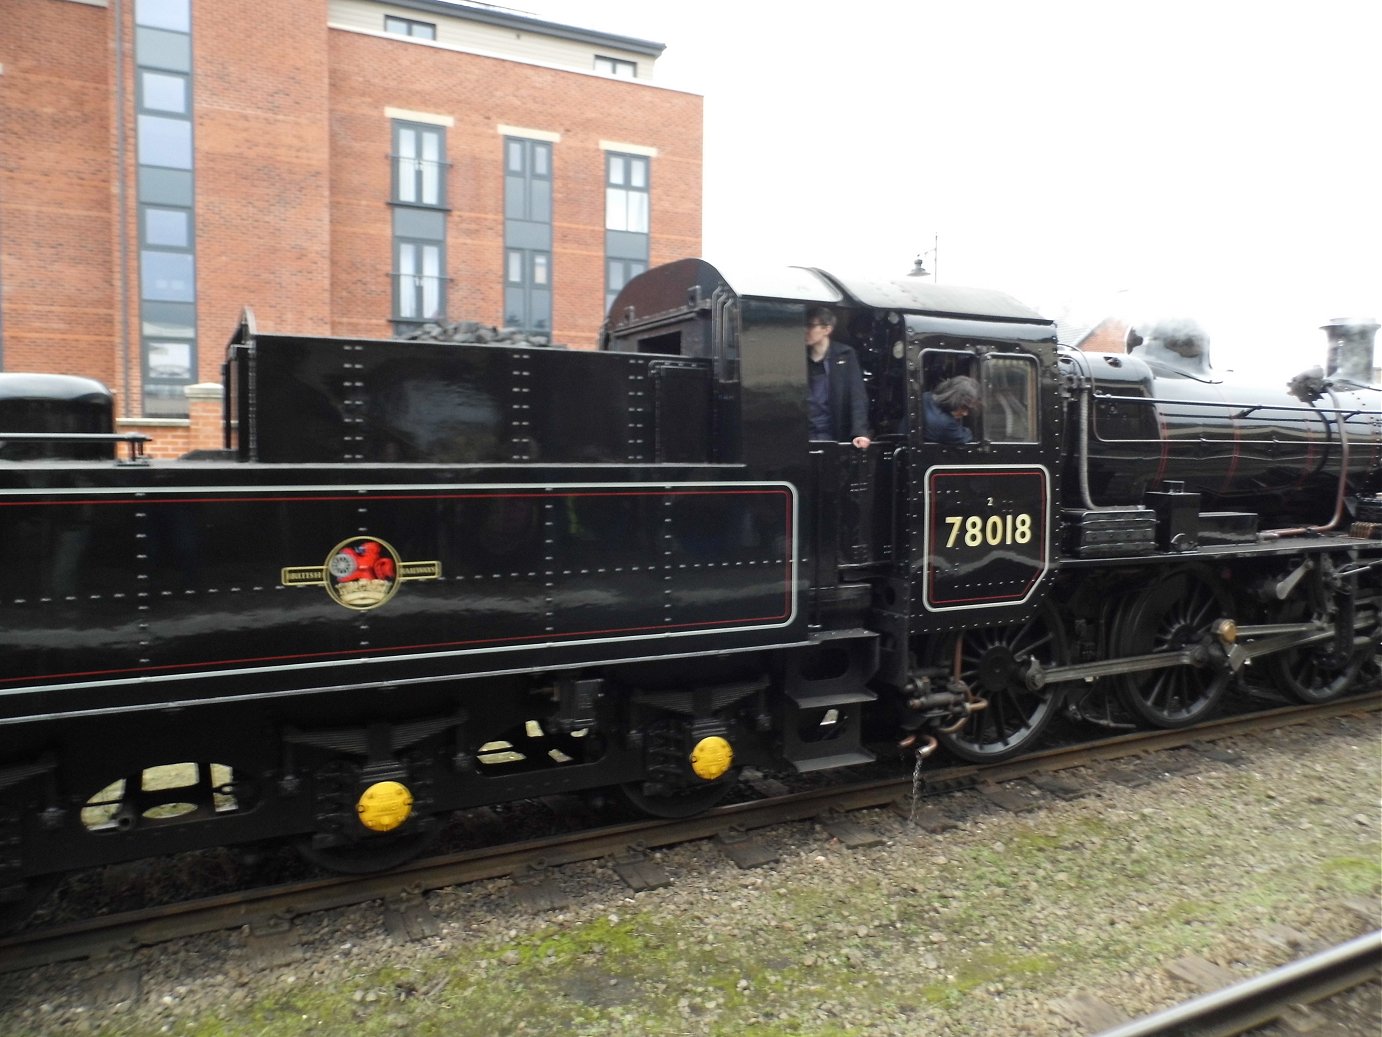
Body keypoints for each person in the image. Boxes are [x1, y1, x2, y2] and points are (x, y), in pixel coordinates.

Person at [805, 307, 871, 448]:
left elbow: (857, 395)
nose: (805, 330)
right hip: (806, 431)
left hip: (832, 431)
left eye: (810, 326)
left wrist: (859, 432)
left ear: (827, 330)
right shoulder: (800, 356)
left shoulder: (846, 354)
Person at [922, 375, 978, 444]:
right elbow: (965, 437)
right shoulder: (946, 425)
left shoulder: (925, 396)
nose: (965, 413)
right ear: (954, 400)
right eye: (964, 407)